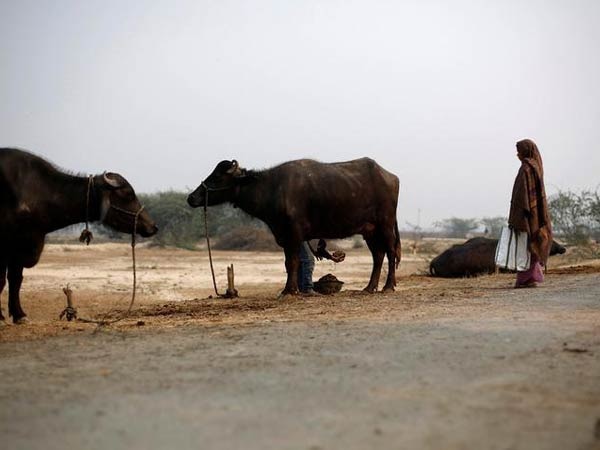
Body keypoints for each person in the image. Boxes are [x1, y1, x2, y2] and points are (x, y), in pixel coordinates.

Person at [508, 138, 553, 288]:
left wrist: (518, 214)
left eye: (519, 151)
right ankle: (531, 278)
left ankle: (525, 280)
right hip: (536, 214)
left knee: (526, 246)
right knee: (533, 244)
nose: (517, 155)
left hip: (527, 214)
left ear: (525, 151)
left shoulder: (526, 169)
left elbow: (522, 196)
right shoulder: (536, 167)